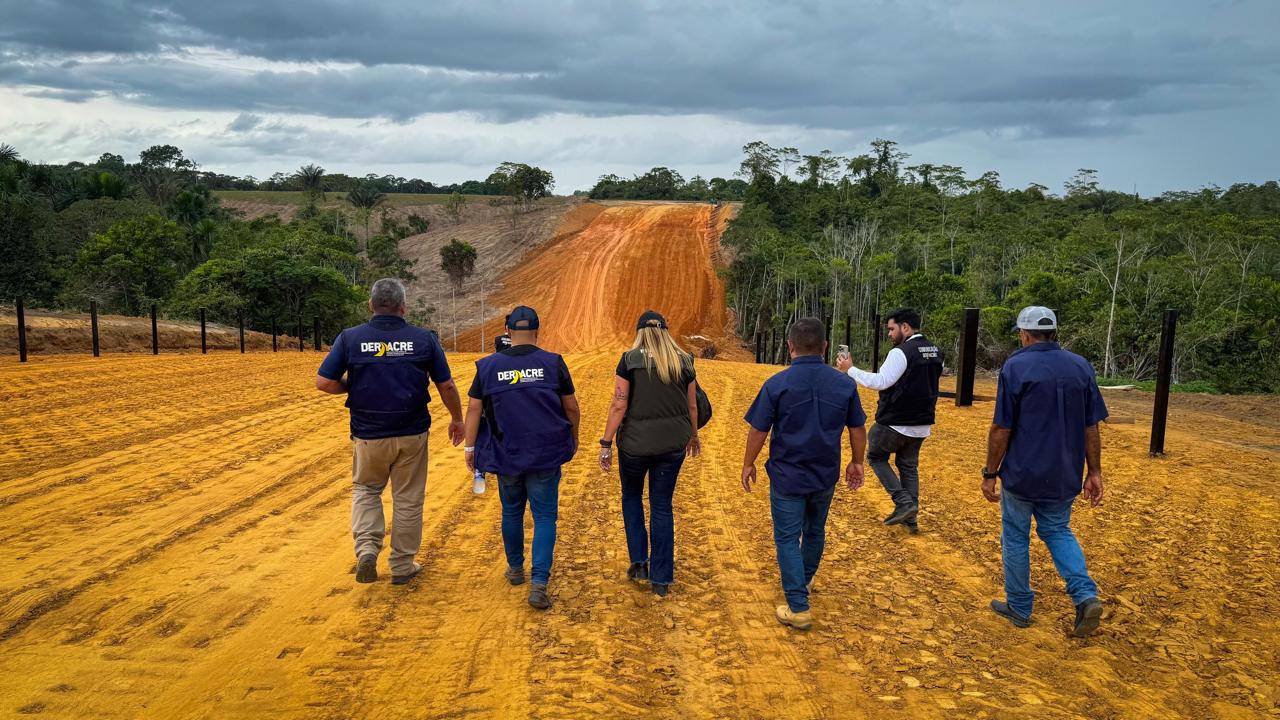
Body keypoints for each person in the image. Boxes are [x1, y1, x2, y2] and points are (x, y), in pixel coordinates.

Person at [315, 278, 464, 585]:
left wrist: (350, 388)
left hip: (368, 434)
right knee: (408, 498)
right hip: (412, 433)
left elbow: (324, 382)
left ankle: (367, 550)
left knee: (367, 490)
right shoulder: (423, 339)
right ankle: (402, 564)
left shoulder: (350, 338)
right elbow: (446, 384)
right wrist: (457, 418)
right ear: (403, 307)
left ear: (371, 305)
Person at [983, 306, 1107, 637]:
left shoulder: (1016, 366)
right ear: (1053, 332)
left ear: (1024, 334)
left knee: (1015, 535)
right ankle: (1084, 595)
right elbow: (1090, 425)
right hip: (1065, 472)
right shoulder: (1081, 367)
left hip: (1022, 472)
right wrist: (1094, 471)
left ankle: (1020, 607)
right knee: (1057, 531)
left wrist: (989, 471)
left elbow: (1001, 427)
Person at [743, 318, 867, 630]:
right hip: (825, 473)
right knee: (815, 530)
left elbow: (759, 429)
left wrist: (749, 462)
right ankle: (805, 580)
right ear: (825, 347)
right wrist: (857, 462)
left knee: (787, 536)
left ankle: (798, 606)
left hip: (788, 475)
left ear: (790, 346)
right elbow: (857, 427)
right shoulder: (844, 384)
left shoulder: (777, 384)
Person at [464, 306, 579, 610]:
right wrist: (573, 437)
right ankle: (539, 582)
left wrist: (470, 448)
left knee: (511, 511)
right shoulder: (553, 363)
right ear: (538, 330)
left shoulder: (487, 367)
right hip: (545, 453)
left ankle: (516, 569)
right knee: (544, 516)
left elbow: (474, 409)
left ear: (507, 330)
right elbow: (571, 408)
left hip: (507, 454)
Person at [599, 310, 701, 597]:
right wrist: (693, 436)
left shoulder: (629, 361)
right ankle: (662, 579)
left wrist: (606, 443)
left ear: (640, 332)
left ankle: (639, 563)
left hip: (633, 446)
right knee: (661, 505)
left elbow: (619, 405)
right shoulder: (683, 361)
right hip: (672, 446)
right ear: (666, 332)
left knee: (631, 497)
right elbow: (693, 407)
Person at [836, 308, 942, 534]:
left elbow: (882, 382)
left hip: (895, 419)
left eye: (892, 329)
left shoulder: (901, 352)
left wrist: (851, 369)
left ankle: (903, 502)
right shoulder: (935, 351)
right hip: (922, 422)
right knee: (908, 466)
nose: (890, 334)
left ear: (905, 327)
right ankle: (910, 518)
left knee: (875, 456)